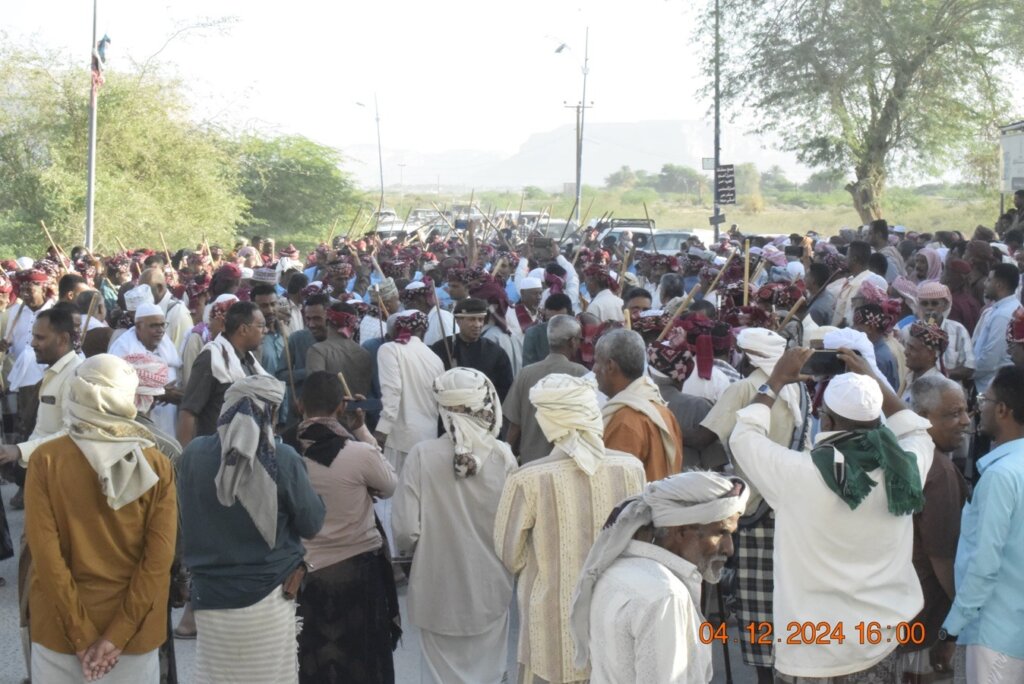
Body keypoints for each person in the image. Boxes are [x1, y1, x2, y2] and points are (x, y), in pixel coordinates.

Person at [729, 347, 933, 680]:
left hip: (812, 651)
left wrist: (775, 380)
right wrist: (873, 379)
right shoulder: (904, 467)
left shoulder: (796, 474)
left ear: (826, 420)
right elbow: (916, 431)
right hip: (879, 640)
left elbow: (744, 436)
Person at [24, 354, 177, 684]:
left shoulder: (46, 461)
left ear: (77, 392)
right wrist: (117, 636)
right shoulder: (156, 464)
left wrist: (81, 636)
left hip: (59, 634)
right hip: (133, 638)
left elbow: (47, 558)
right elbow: (158, 562)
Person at [494, 374, 644, 684]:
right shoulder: (631, 468)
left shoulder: (528, 479)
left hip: (551, 628)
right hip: (616, 616)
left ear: (549, 420)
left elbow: (511, 556)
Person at [177, 375, 326, 684]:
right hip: (268, 597)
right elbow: (312, 524)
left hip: (209, 597)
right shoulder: (282, 458)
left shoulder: (193, 454)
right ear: (270, 413)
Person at [689, 327, 812, 681]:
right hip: (788, 504)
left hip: (753, 508)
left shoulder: (746, 389)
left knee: (756, 603)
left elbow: (705, 434)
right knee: (784, 594)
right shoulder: (798, 388)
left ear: (748, 356)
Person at [393, 368, 517, 684]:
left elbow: (406, 530)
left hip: (437, 590)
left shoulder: (422, 455)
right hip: (490, 589)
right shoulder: (502, 456)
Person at [569, 473, 749, 684]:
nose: (729, 549)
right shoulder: (666, 596)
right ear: (681, 531)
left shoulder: (616, 568)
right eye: (721, 533)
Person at [294, 372, 399, 684]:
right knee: (362, 661)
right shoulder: (360, 453)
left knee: (311, 659)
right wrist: (362, 429)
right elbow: (389, 484)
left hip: (306, 571)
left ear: (300, 405)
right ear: (341, 408)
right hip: (358, 570)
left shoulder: (285, 452)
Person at [937, 365, 1024, 679]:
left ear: (1002, 410)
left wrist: (951, 629)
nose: (978, 409)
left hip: (995, 635)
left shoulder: (1001, 476)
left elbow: (984, 564)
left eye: (985, 400)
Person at [902, 375, 970, 681]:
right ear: (923, 418)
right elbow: (943, 558)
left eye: (966, 410)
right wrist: (958, 626)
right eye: (953, 414)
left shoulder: (906, 452)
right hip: (925, 622)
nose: (965, 421)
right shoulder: (938, 470)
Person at [374, 310, 445, 556]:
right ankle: (419, 554)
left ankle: (395, 557)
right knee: (420, 501)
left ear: (395, 330)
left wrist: (380, 433)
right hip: (428, 438)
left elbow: (392, 393)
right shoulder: (434, 357)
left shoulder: (389, 350)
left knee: (392, 502)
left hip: (400, 437)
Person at [595, 329, 683, 481]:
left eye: (596, 362)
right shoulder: (661, 410)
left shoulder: (625, 421)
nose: (593, 370)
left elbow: (613, 482)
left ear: (610, 366)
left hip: (639, 503)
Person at [177, 301, 267, 447]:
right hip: (215, 453)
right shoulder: (211, 358)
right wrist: (184, 459)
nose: (266, 330)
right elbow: (188, 412)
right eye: (261, 326)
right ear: (243, 329)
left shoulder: (248, 361)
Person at [503, 315, 588, 463]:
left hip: (531, 464)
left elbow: (514, 425)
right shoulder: (581, 374)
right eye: (580, 340)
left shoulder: (525, 374)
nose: (580, 345)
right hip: (568, 463)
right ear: (572, 341)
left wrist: (508, 456)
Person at [108, 302, 183, 437]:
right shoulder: (123, 349)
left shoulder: (167, 347)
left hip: (167, 420)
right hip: (136, 422)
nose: (160, 330)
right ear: (138, 326)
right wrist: (157, 394)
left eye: (162, 325)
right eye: (154, 326)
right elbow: (117, 389)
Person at [430, 298, 514, 401]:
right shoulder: (441, 349)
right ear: (458, 321)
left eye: (480, 319)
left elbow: (505, 388)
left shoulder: (496, 352)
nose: (477, 325)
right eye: (472, 319)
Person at [899, 281, 975, 383]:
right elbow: (902, 365)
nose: (929, 308)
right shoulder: (908, 331)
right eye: (924, 303)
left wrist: (939, 376)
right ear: (919, 306)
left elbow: (969, 367)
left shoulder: (958, 330)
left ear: (944, 305)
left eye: (934, 303)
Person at [971, 263, 1022, 394]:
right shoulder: (1000, 309)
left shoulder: (1004, 315)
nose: (985, 284)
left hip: (990, 387)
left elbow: (991, 359)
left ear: (999, 285)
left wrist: (967, 372)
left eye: (989, 280)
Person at [306, 301, 373, 398]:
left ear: (327, 321)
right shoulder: (365, 354)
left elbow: (315, 391)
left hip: (329, 412)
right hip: (359, 411)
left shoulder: (317, 351)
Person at [139, 267, 193, 350]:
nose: (143, 295)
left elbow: (180, 355)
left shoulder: (178, 313)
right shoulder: (147, 311)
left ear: (159, 288)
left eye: (146, 290)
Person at [521, 293, 573, 367]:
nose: (554, 326)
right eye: (550, 321)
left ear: (571, 316)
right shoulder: (533, 334)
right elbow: (529, 369)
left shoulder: (579, 334)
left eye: (559, 321)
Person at [831, 241, 873, 326]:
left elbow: (848, 320)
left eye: (847, 255)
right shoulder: (853, 279)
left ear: (854, 259)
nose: (845, 259)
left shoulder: (861, 284)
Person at [942, 259, 981, 336]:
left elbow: (950, 333)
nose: (942, 275)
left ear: (951, 277)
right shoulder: (973, 301)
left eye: (945, 272)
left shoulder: (952, 303)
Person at [804, 262, 836, 327]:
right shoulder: (829, 295)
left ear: (813, 280)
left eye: (806, 275)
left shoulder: (815, 310)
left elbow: (811, 335)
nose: (804, 278)